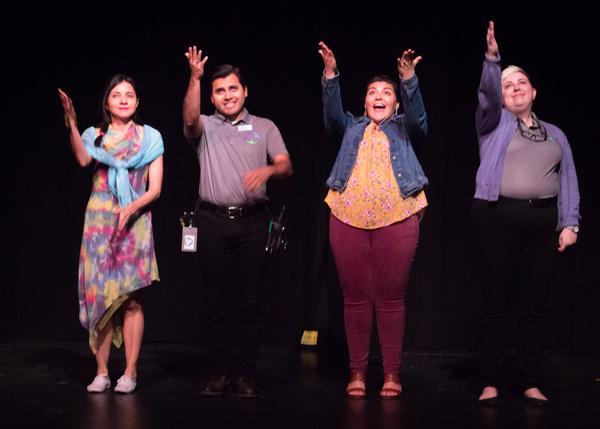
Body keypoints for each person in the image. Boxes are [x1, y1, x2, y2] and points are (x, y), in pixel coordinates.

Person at [472, 22, 580, 407]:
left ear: (534, 92)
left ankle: (532, 380)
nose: (514, 88)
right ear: (501, 97)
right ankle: (490, 380)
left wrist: (571, 223)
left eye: (521, 83)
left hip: (542, 225)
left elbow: (567, 179)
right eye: (507, 85)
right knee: (497, 303)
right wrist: (492, 60)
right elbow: (486, 93)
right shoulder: (493, 123)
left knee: (534, 306)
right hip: (497, 219)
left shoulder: (555, 133)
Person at [318, 42, 428, 398]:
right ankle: (358, 373)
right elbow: (332, 119)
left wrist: (408, 79)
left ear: (395, 103)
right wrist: (331, 76)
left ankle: (392, 374)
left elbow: (420, 122)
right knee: (356, 298)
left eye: (386, 93)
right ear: (364, 103)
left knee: (391, 297)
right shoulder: (352, 127)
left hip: (397, 216)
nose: (378, 97)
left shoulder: (403, 128)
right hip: (347, 215)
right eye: (372, 93)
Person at [182, 47, 292, 398]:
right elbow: (188, 120)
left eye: (233, 89)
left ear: (245, 92)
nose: (227, 96)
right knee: (216, 302)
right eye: (219, 91)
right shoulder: (206, 127)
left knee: (249, 303)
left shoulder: (263, 127)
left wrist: (270, 168)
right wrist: (195, 78)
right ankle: (219, 372)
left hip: (253, 224)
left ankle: (245, 374)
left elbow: (286, 165)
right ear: (212, 97)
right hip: (212, 221)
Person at [58, 75, 164, 394]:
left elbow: (155, 188)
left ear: (137, 102)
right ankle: (102, 372)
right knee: (101, 299)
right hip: (100, 222)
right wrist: (73, 123)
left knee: (131, 299)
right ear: (107, 103)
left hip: (135, 221)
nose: (122, 99)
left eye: (129, 94)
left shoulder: (150, 138)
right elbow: (81, 158)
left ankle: (130, 372)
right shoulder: (97, 135)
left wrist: (131, 209)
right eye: (116, 95)